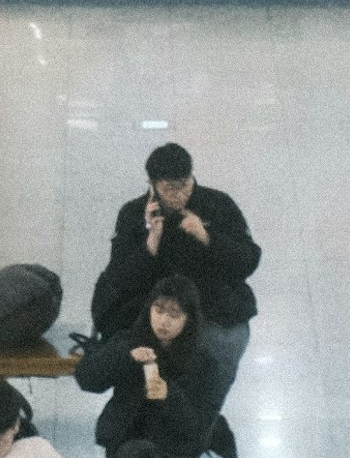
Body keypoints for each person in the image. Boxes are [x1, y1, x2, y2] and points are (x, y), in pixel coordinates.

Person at [76, 273, 230, 458]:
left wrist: (169, 397)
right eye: (158, 310)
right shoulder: (130, 341)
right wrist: (125, 357)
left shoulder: (205, 363)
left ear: (190, 319)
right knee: (138, 452)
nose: (163, 321)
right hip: (126, 454)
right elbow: (87, 378)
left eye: (174, 315)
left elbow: (199, 431)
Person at [88, 142, 261, 411]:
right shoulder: (134, 215)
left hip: (212, 312)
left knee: (210, 370)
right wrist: (149, 245)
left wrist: (207, 238)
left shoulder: (218, 205)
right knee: (141, 373)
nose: (179, 194)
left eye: (185, 185)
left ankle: (200, 422)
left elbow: (248, 260)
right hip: (153, 315)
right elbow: (119, 279)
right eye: (169, 188)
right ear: (153, 184)